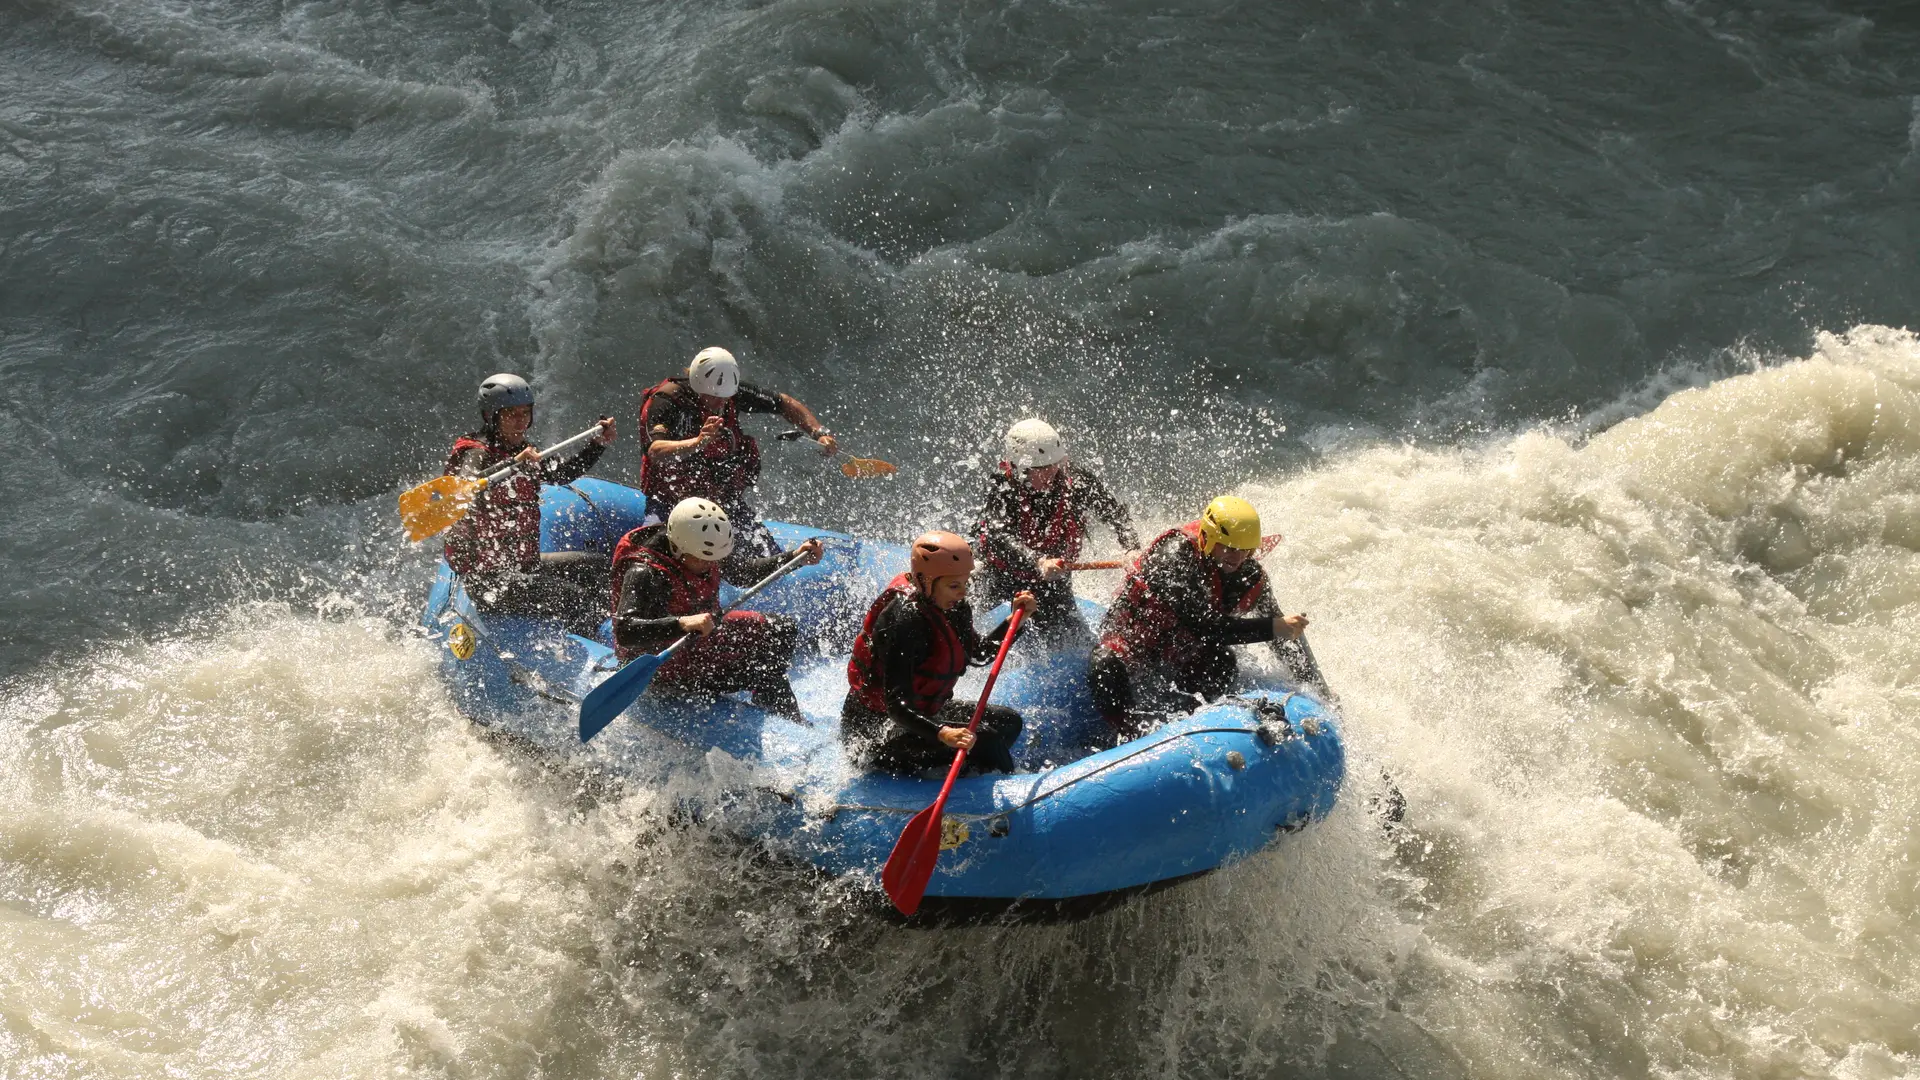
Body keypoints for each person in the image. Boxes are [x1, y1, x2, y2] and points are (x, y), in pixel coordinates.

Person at [1088, 496, 1314, 742]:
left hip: (1180, 653)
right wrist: (1274, 627)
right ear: (1207, 538)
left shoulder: (1250, 574)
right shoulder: (1174, 555)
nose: (1237, 558)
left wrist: (1315, 688)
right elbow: (1205, 627)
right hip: (1133, 644)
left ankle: (1195, 724)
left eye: (1245, 549)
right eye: (1228, 547)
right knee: (1104, 663)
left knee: (1223, 662)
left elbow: (1285, 636)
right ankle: (1130, 735)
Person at [609, 498, 824, 719]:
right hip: (662, 659)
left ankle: (768, 702)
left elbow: (744, 573)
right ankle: (783, 717)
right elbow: (626, 632)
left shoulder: (702, 545)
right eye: (702, 561)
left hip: (700, 637)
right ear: (676, 548)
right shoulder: (644, 571)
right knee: (762, 671)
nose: (710, 565)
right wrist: (682, 623)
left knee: (782, 630)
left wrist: (793, 558)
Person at [842, 532, 1038, 775]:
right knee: (986, 738)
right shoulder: (903, 622)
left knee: (1008, 722)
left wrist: (1016, 621)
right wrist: (943, 733)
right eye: (954, 585)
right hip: (876, 734)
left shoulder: (954, 607)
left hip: (922, 714)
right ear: (924, 581)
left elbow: (979, 655)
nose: (963, 593)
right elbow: (897, 707)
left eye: (965, 583)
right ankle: (1000, 789)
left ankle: (971, 775)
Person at [443, 372, 615, 632]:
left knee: (601, 567)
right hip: (489, 582)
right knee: (576, 599)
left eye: (525, 413)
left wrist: (597, 444)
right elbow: (463, 488)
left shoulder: (519, 449)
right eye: (512, 414)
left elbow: (561, 474)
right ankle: (592, 658)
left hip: (525, 566)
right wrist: (512, 465)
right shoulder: (476, 453)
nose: (521, 421)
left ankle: (616, 637)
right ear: (492, 417)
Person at [639, 346, 837, 559]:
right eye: (715, 397)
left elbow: (784, 403)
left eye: (726, 396)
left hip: (721, 501)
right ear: (699, 385)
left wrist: (818, 433)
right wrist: (698, 442)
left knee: (768, 557)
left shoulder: (728, 392)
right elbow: (656, 451)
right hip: (672, 502)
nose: (722, 402)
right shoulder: (667, 399)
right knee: (655, 560)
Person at [972, 419, 1139, 645]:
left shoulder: (1077, 482)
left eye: (1055, 465)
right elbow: (997, 536)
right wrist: (1038, 561)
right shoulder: (1002, 487)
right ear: (1019, 468)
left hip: (1052, 580)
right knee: (961, 608)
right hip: (999, 572)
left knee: (1073, 643)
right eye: (1041, 469)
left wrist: (1131, 548)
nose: (1051, 473)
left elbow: (1116, 515)